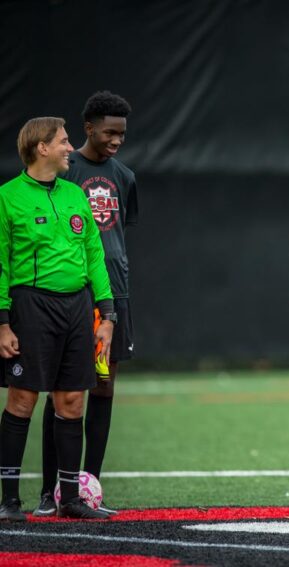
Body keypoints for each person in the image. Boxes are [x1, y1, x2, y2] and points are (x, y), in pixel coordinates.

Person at [0, 117, 114, 520]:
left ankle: (70, 498)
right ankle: (10, 501)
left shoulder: (74, 195)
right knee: (23, 398)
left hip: (78, 307)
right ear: (41, 147)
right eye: (64, 142)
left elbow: (95, 256)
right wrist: (2, 322)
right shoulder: (8, 196)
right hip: (30, 307)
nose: (71, 148)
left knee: (71, 401)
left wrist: (107, 313)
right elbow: (0, 264)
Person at [33, 91, 137, 518]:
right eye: (109, 132)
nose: (115, 141)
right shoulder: (64, 169)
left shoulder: (125, 176)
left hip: (115, 292)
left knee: (104, 386)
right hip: (72, 294)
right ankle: (47, 491)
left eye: (122, 135)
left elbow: (117, 235)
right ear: (88, 128)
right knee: (62, 391)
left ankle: (88, 488)